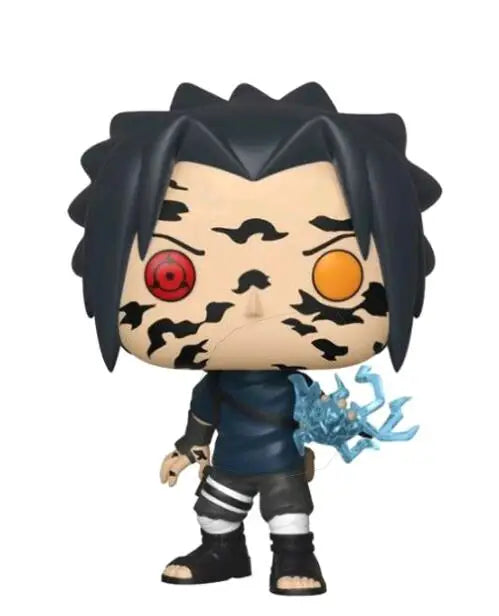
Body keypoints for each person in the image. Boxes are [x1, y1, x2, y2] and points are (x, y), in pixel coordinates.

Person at [68, 82, 440, 595]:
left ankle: (295, 558)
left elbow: (317, 414)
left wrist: (331, 432)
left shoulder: (295, 388)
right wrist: (186, 450)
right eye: (171, 275)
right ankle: (224, 552)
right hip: (227, 466)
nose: (254, 306)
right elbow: (202, 420)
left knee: (290, 517)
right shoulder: (216, 387)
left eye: (335, 275)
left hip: (282, 467)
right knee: (214, 513)